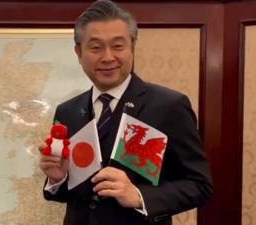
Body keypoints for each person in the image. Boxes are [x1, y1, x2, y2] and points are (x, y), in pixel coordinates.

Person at [38, 0, 213, 224]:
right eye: (96, 47)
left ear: (132, 47)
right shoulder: (68, 111)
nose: (108, 57)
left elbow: (199, 185)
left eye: (118, 46)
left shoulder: (168, 106)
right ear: (79, 52)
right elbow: (68, 194)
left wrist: (139, 196)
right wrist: (57, 179)